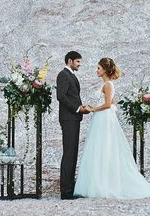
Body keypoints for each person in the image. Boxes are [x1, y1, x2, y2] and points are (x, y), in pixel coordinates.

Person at [73, 58, 150, 199]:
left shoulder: (108, 84)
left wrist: (92, 109)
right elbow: (111, 102)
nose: (96, 71)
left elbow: (108, 104)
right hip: (101, 118)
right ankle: (98, 182)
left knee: (104, 147)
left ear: (104, 69)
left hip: (103, 118)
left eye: (98, 68)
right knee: (99, 148)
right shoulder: (106, 84)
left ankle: (103, 184)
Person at [56, 51, 89, 200]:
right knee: (69, 153)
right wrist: (77, 108)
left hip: (74, 118)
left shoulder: (72, 76)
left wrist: (81, 108)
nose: (79, 65)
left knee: (73, 153)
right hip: (68, 118)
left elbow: (72, 96)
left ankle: (70, 187)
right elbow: (61, 96)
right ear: (70, 61)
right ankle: (66, 191)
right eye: (77, 62)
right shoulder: (63, 75)